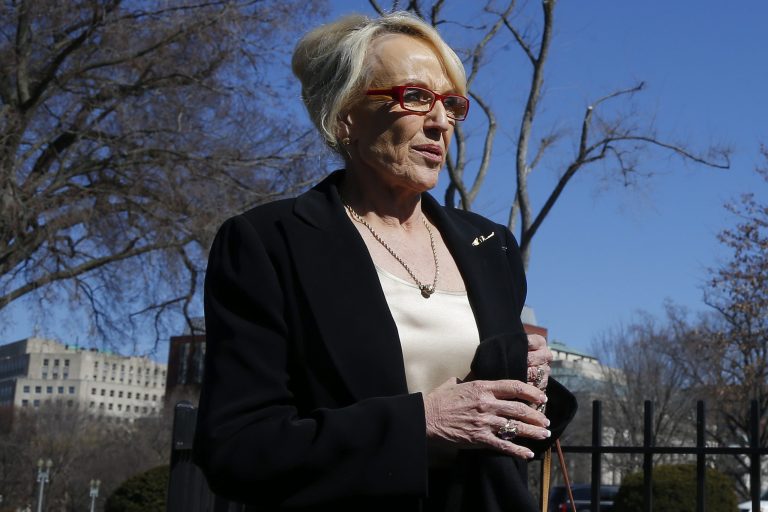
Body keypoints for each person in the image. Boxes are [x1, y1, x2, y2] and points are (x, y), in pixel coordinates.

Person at [193, 11, 576, 512]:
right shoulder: (268, 243)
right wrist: (422, 423)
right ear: (345, 114)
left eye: (450, 104)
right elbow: (236, 448)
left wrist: (529, 393)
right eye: (415, 97)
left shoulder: (491, 246)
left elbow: (504, 440)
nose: (440, 122)